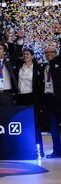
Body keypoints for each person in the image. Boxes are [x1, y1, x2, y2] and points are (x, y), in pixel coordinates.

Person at [39, 25, 61, 158]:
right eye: (46, 53)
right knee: (53, 128)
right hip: (49, 100)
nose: (49, 54)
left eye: (51, 52)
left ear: (56, 53)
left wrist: (59, 35)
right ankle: (57, 151)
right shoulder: (44, 67)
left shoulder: (59, 62)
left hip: (60, 98)